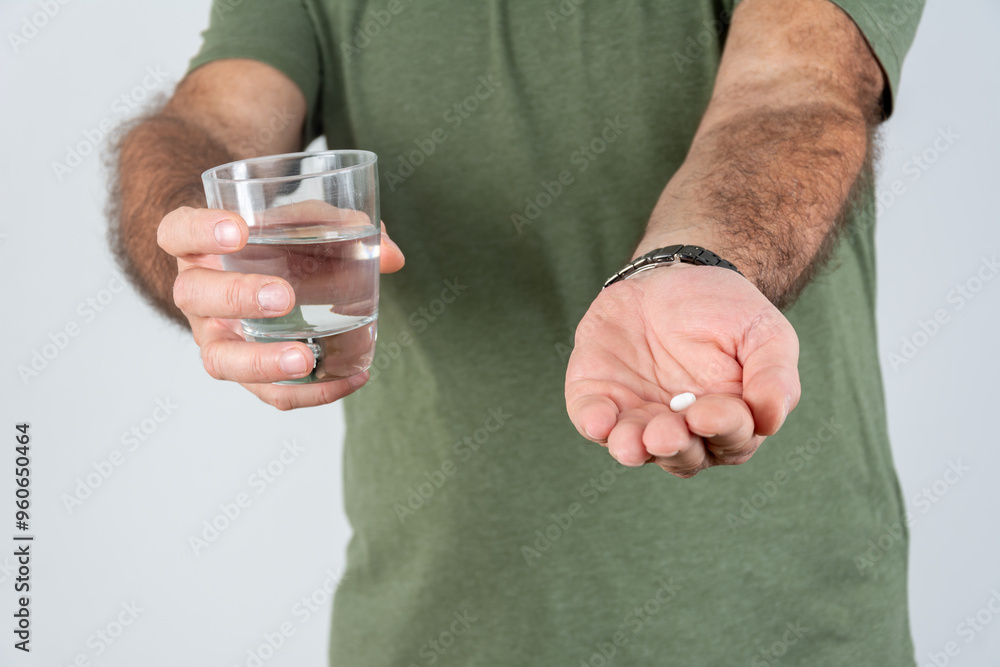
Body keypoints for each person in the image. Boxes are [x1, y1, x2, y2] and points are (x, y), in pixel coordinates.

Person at [107, 0, 924, 663]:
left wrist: (692, 254)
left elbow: (796, 88)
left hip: (781, 630)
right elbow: (208, 126)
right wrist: (207, 233)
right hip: (431, 631)